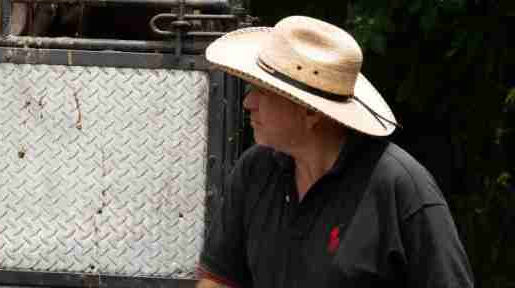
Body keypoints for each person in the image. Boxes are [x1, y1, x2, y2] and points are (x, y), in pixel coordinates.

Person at [196, 15, 474, 287]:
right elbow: (220, 279)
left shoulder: (400, 187)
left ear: (310, 111)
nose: (248, 102)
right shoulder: (255, 170)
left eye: (263, 91)